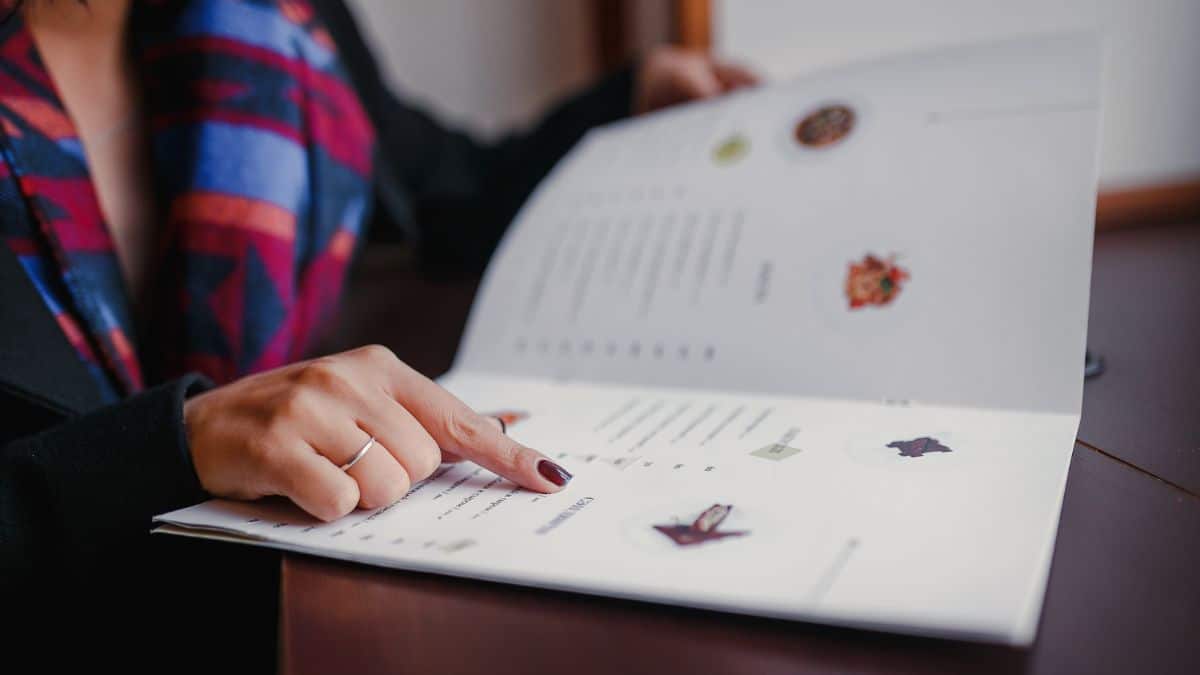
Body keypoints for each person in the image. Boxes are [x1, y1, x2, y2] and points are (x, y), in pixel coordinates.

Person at [0, 0, 755, 666]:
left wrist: (625, 102)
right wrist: (169, 448)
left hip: (297, 614)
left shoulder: (280, 22)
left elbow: (443, 191)